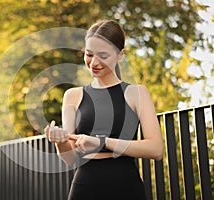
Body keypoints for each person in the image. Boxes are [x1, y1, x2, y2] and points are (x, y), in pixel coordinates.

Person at [44, 19, 164, 200]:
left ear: (120, 55)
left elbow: (155, 149)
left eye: (103, 55)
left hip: (125, 186)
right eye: (89, 54)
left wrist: (101, 142)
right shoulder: (72, 95)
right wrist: (60, 141)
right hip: (84, 187)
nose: (94, 62)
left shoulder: (136, 93)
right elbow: (70, 159)